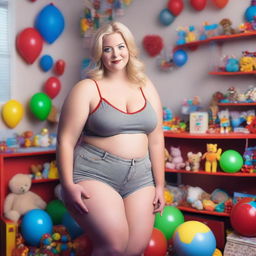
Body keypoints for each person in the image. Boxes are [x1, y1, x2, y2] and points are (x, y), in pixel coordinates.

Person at [57, 21, 165, 256]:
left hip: (141, 177)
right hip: (96, 173)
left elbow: (156, 139)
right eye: (108, 49)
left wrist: (160, 185)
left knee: (134, 249)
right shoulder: (87, 88)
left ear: (129, 48)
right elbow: (65, 140)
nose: (116, 54)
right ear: (100, 53)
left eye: (121, 46)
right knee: (114, 246)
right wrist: (67, 185)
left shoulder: (145, 86)